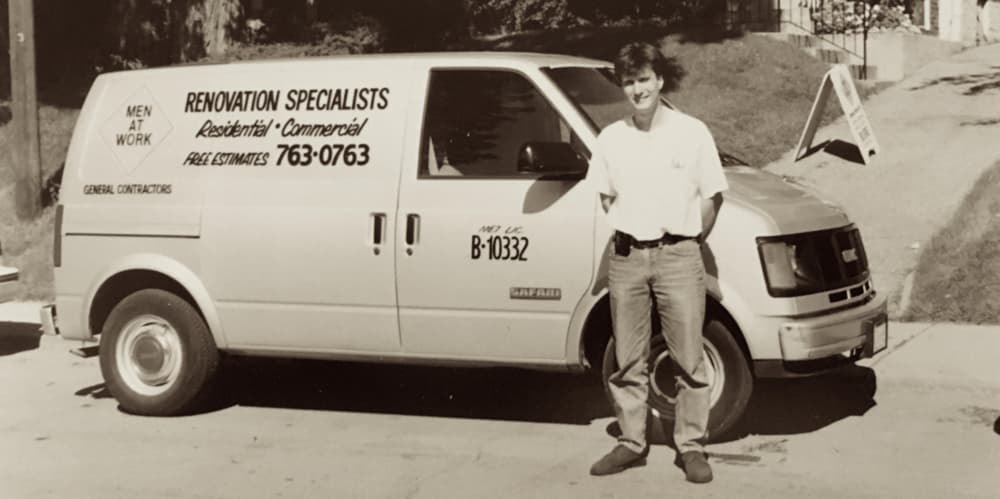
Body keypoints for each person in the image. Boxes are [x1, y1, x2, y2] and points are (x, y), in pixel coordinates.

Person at [587, 41, 727, 484]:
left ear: (660, 80)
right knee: (628, 358)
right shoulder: (612, 138)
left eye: (643, 79)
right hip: (628, 256)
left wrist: (686, 242)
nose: (636, 89)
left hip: (679, 256)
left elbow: (713, 196)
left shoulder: (692, 132)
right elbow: (606, 195)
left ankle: (691, 447)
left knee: (689, 357)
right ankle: (631, 442)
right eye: (628, 81)